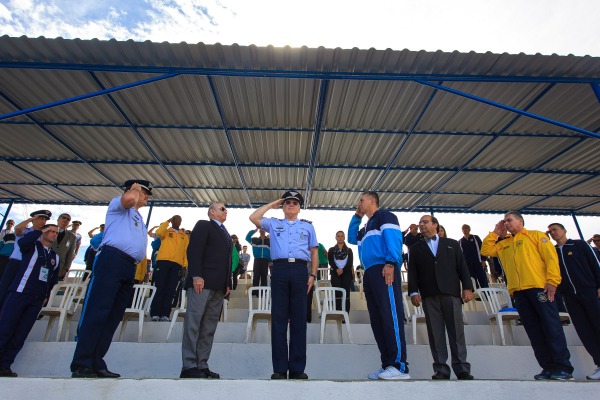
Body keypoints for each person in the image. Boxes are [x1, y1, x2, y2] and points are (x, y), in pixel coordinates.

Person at [71, 180, 152, 378]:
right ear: (133, 190)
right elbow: (129, 199)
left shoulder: (138, 217)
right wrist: (134, 188)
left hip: (128, 266)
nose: (148, 196)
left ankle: (96, 361)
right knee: (98, 310)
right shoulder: (119, 205)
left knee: (113, 316)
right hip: (112, 259)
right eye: (145, 192)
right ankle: (82, 362)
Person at [481, 211, 573, 380]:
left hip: (539, 289)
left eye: (509, 220)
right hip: (518, 292)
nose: (506, 223)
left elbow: (551, 259)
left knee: (551, 327)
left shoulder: (535, 236)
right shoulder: (505, 243)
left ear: (520, 221)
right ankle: (548, 367)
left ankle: (563, 368)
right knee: (533, 330)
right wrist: (496, 232)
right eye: (504, 221)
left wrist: (552, 281)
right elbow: (486, 250)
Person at [249, 190, 318, 380]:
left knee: (298, 321)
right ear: (283, 205)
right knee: (278, 319)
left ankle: (297, 368)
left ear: (299, 207)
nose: (291, 205)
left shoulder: (308, 227)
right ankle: (279, 368)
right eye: (287, 202)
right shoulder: (274, 223)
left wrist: (312, 273)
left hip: (299, 271)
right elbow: (253, 217)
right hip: (278, 270)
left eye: (295, 203)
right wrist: (274, 203)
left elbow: (314, 252)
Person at [348, 191, 410, 380]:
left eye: (361, 200)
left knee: (391, 316)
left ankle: (399, 366)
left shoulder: (384, 216)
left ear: (372, 201)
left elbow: (394, 238)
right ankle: (387, 365)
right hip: (370, 273)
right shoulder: (366, 226)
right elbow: (352, 238)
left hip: (385, 269)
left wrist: (391, 262)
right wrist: (357, 217)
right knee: (378, 320)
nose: (359, 203)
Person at [407, 215, 474, 380]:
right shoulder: (415, 249)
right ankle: (441, 369)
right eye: (420, 223)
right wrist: (413, 292)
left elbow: (462, 267)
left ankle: (461, 368)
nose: (421, 225)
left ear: (435, 225)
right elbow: (413, 273)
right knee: (435, 333)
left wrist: (467, 288)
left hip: (451, 293)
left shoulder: (452, 244)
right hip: (429, 295)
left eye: (425, 222)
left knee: (456, 331)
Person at [0, 224, 60, 377]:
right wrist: (39, 231)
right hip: (20, 292)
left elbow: (52, 279)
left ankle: (5, 365)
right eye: (51, 231)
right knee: (5, 328)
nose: (53, 234)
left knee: (20, 334)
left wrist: (46, 295)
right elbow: (22, 242)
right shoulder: (31, 247)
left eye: (56, 232)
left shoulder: (54, 257)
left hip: (37, 298)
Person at [180, 202, 232, 379]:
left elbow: (226, 261)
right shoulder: (204, 225)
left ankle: (202, 364)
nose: (226, 211)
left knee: (209, 327)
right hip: (202, 283)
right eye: (222, 208)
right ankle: (189, 365)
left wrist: (227, 283)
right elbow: (194, 250)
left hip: (218, 286)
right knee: (193, 324)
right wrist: (196, 275)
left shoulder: (224, 232)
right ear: (212, 212)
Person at [547, 223, 600, 380]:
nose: (553, 233)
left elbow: (595, 264)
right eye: (550, 231)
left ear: (564, 230)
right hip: (570, 297)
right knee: (585, 331)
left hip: (589, 292)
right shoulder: (553, 251)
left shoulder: (579, 245)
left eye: (555, 229)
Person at [0, 210, 51, 309]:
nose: (43, 222)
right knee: (4, 288)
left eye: (45, 220)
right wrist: (30, 219)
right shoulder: (26, 231)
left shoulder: (42, 236)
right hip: (16, 263)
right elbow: (18, 229)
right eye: (41, 219)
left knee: (16, 291)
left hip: (29, 267)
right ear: (34, 219)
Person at [150, 216, 189, 322]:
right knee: (160, 287)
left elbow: (185, 252)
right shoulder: (166, 232)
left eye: (179, 220)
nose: (178, 221)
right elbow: (158, 232)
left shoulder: (184, 236)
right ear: (172, 221)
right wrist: (167, 221)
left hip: (177, 265)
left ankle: (165, 314)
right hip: (163, 262)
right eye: (175, 219)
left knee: (171, 290)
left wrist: (184, 266)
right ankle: (155, 313)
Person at [328, 231, 354, 312]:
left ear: (344, 237)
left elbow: (350, 263)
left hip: (346, 274)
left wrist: (342, 270)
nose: (340, 238)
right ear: (336, 238)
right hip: (335, 274)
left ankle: (345, 314)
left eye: (342, 236)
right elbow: (331, 261)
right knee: (337, 293)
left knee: (346, 294)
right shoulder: (331, 250)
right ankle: (338, 314)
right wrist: (337, 269)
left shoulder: (349, 250)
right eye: (338, 236)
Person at [458, 224, 488, 289]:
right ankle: (477, 297)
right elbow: (460, 255)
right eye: (463, 228)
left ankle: (487, 295)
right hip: (468, 265)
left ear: (469, 229)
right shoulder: (460, 241)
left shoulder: (475, 238)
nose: (465, 229)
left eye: (466, 228)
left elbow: (482, 249)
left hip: (478, 263)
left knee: (482, 279)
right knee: (472, 281)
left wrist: (483, 260)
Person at [53, 213, 77, 279]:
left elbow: (70, 253)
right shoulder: (49, 230)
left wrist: (66, 268)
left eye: (68, 219)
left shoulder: (72, 237)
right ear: (58, 219)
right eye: (63, 217)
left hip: (60, 267)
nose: (65, 220)